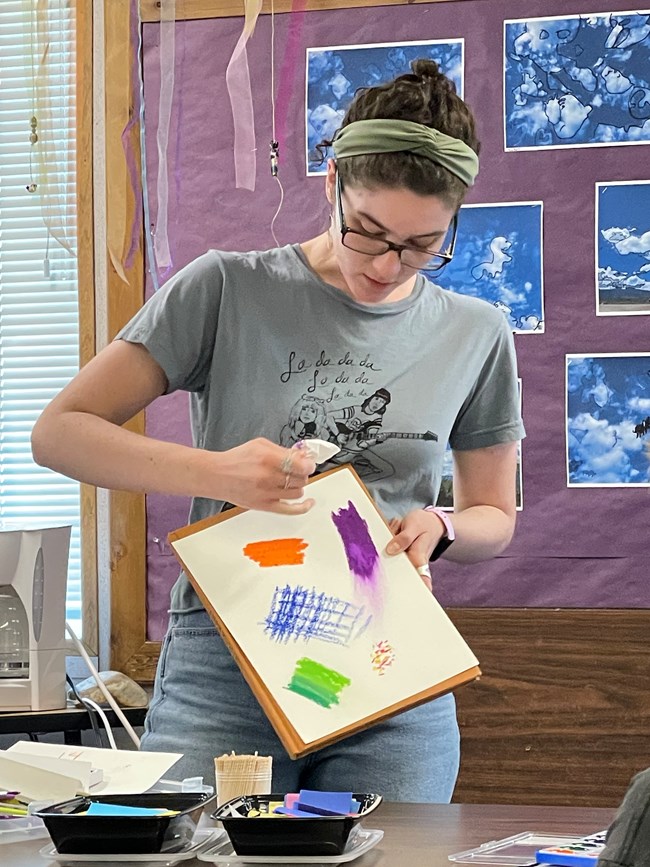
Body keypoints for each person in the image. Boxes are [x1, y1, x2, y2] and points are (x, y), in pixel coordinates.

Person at [31, 58, 524, 802]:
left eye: (422, 244)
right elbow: (59, 433)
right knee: (195, 848)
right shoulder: (227, 286)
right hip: (227, 655)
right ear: (331, 186)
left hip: (390, 658)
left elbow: (495, 516)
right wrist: (221, 475)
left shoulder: (477, 331)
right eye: (368, 232)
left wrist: (441, 524)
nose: (389, 267)